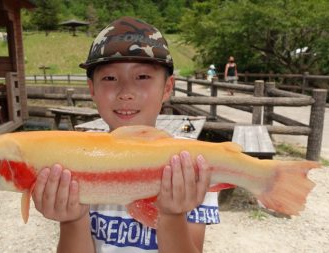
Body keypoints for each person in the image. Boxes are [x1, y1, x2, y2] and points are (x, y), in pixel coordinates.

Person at [32, 16, 220, 253]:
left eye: (142, 77)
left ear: (167, 88)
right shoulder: (74, 161)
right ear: (92, 89)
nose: (126, 92)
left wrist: (172, 216)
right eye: (110, 78)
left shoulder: (190, 165)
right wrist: (72, 220)